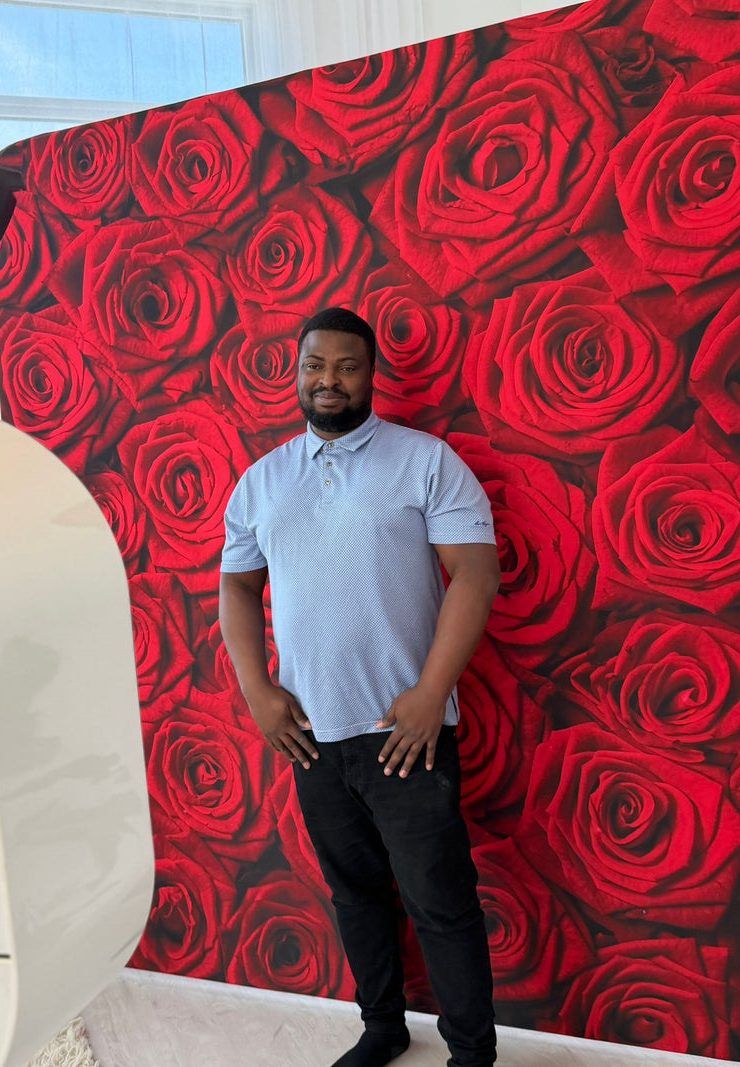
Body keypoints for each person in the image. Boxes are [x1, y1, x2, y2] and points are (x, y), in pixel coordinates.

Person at [219, 307, 501, 1067]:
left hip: (406, 732)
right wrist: (257, 690)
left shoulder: (425, 461)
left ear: (370, 374)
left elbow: (476, 574)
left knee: (441, 902)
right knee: (355, 894)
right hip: (313, 735)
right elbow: (237, 586)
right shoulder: (262, 481)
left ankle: (472, 1055)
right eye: (315, 365)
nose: (330, 380)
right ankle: (382, 1028)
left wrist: (430, 693)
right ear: (296, 372)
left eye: (346, 366)